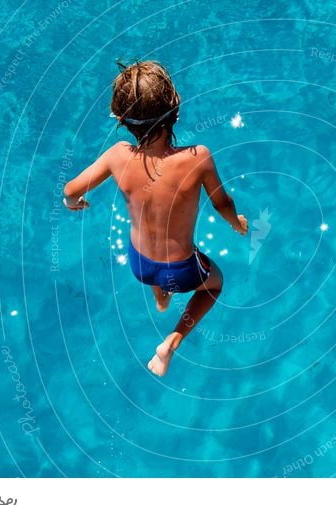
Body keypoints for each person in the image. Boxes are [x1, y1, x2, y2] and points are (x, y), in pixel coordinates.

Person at [63, 60, 248, 376]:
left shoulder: (117, 155)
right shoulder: (197, 158)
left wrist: (73, 202)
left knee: (158, 277)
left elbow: (69, 190)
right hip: (182, 268)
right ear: (175, 108)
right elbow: (222, 203)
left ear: (122, 119)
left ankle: (161, 300)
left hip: (139, 263)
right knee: (215, 284)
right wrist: (237, 224)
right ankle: (170, 344)